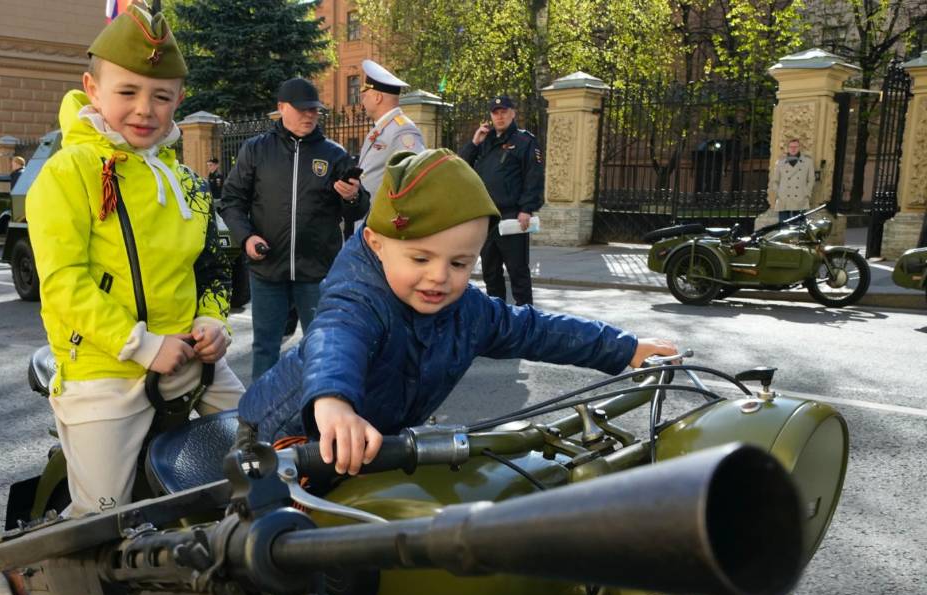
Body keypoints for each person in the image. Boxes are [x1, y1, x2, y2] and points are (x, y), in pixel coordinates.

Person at [237, 149, 678, 472]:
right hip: (281, 444)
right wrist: (334, 403)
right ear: (376, 244)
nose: (439, 278)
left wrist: (627, 349)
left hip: (371, 445)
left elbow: (538, 330)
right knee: (299, 571)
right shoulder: (359, 297)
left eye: (459, 263)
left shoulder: (467, 311)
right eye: (421, 259)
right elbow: (335, 338)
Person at [26, 4, 242, 516]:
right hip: (106, 370)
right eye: (127, 92)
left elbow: (212, 266)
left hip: (192, 362)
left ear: (179, 101)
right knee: (103, 518)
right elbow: (63, 284)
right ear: (92, 88)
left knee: (264, 452)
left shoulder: (187, 181)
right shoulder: (66, 173)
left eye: (161, 96)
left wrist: (212, 321)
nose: (145, 109)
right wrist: (141, 345)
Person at [220, 77, 368, 379]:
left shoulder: (333, 154)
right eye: (302, 109)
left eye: (314, 110)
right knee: (265, 347)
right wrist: (246, 237)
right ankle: (259, 418)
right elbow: (232, 200)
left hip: (316, 271)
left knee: (321, 347)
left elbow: (358, 208)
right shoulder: (256, 150)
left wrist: (353, 197)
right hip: (267, 267)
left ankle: (316, 414)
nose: (309, 115)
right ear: (281, 108)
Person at [459, 95, 543, 306]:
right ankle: (498, 321)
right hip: (487, 218)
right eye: (495, 113)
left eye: (504, 112)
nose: (500, 116)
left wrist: (526, 208)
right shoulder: (485, 141)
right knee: (490, 273)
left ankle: (526, 322)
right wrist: (474, 142)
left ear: (513, 113)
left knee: (518, 273)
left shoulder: (524, 141)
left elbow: (534, 176)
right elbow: (460, 166)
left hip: (512, 217)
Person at [356, 59, 425, 199]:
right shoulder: (382, 127)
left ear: (377, 98)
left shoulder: (403, 130)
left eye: (365, 96)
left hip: (386, 217)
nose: (362, 101)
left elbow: (416, 174)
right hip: (370, 215)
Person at [770, 138, 815, 223]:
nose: (793, 149)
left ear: (799, 148)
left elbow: (811, 179)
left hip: (800, 197)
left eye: (795, 147)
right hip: (784, 198)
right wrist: (779, 193)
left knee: (799, 228)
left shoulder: (807, 162)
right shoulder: (780, 162)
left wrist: (806, 193)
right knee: (783, 227)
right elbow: (775, 181)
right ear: (788, 148)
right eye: (791, 147)